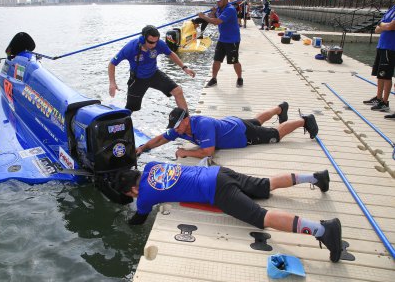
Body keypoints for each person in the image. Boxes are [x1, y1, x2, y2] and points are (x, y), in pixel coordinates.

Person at [115, 162, 342, 262]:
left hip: (216, 190)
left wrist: (121, 227)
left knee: (261, 217)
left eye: (131, 195)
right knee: (266, 184)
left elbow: (139, 218)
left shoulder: (144, 195)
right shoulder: (152, 166)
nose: (135, 198)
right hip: (219, 172)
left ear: (134, 189)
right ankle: (316, 177)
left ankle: (323, 230)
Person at [136, 103, 319, 158]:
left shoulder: (203, 125)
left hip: (241, 134)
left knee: (275, 135)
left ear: (186, 119)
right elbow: (161, 138)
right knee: (257, 120)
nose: (176, 130)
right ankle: (280, 109)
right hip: (232, 123)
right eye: (174, 127)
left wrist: (185, 152)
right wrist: (143, 148)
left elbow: (208, 152)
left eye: (177, 126)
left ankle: (305, 121)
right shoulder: (180, 128)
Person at [108, 25, 196, 112]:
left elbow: (170, 53)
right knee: (130, 109)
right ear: (143, 39)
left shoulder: (159, 44)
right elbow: (112, 64)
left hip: (154, 74)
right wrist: (112, 83)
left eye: (155, 42)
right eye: (150, 42)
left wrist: (184, 68)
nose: (153, 45)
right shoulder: (130, 48)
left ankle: (186, 120)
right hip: (137, 80)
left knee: (178, 91)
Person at [198, 0, 243, 88]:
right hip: (222, 38)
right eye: (217, 0)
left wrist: (203, 16)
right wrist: (213, 13)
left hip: (232, 40)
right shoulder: (219, 8)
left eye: (219, 0)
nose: (217, 2)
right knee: (216, 60)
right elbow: (213, 18)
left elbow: (217, 22)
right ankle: (214, 79)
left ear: (226, 0)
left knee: (234, 61)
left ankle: (239, 78)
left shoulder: (230, 10)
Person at [363, 0, 395, 115]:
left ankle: (385, 102)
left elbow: (390, 26)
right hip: (382, 46)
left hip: (391, 47)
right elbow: (378, 29)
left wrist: (383, 25)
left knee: (386, 75)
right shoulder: (392, 9)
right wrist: (384, 26)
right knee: (379, 74)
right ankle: (378, 97)